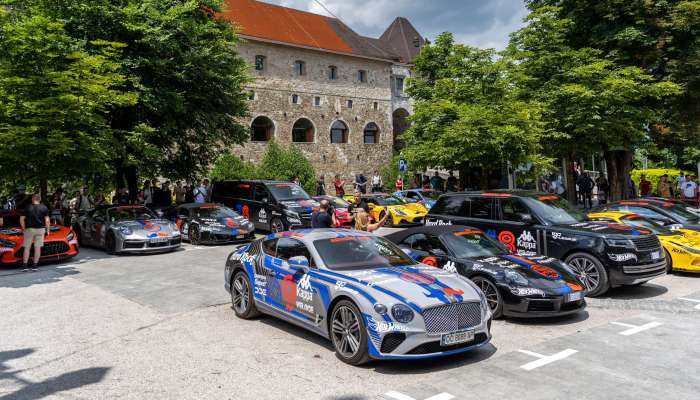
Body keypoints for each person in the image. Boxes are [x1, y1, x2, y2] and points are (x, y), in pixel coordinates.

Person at [20, 194, 50, 270]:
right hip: (40, 229)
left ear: (33, 199)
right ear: (39, 199)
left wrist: (23, 228)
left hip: (29, 229)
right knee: (37, 248)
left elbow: (21, 219)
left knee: (27, 248)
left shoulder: (27, 207)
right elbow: (47, 220)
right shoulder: (44, 207)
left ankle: (25, 266)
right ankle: (35, 266)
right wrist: (48, 230)